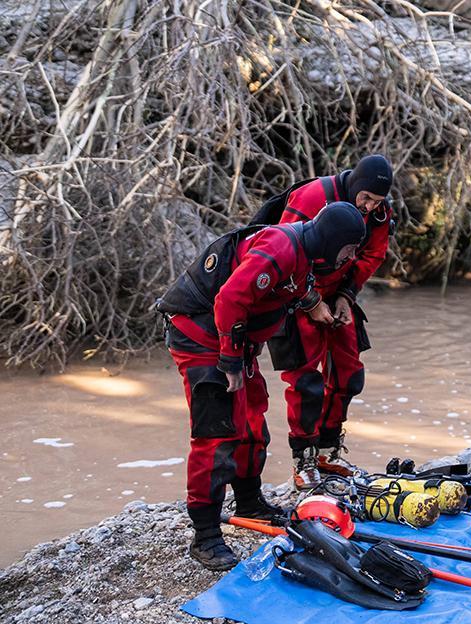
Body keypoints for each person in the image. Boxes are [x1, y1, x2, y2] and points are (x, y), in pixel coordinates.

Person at [158, 203, 366, 570]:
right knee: (217, 432)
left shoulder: (303, 252)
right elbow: (229, 299)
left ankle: (250, 500)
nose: (350, 257)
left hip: (233, 343)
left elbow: (292, 286)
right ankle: (205, 536)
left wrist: (313, 302)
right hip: (202, 339)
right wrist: (230, 362)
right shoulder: (280, 247)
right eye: (348, 249)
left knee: (253, 417)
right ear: (333, 241)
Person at [270, 155, 395, 489]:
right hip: (296, 293)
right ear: (354, 184)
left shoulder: (379, 212)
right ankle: (304, 458)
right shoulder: (312, 197)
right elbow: (281, 251)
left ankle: (328, 450)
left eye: (377, 201)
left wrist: (346, 295)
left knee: (349, 374)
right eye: (365, 198)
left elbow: (372, 255)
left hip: (337, 291)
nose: (369, 207)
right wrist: (311, 301)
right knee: (305, 382)